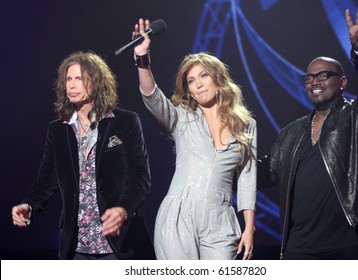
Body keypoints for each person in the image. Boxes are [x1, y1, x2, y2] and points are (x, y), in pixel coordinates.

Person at [258, 6, 358, 260]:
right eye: (309, 78)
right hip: (301, 248)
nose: (315, 81)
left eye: (323, 75)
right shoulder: (291, 133)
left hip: (354, 243)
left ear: (342, 83)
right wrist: (227, 164)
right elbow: (266, 172)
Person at [131, 18, 257, 260]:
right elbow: (152, 97)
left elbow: (247, 180)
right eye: (191, 81)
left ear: (218, 79)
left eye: (203, 76)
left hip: (221, 221)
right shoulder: (182, 119)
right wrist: (142, 58)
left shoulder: (246, 125)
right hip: (178, 218)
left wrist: (249, 227)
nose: (198, 85)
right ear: (188, 90)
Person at [11, 51, 154, 260]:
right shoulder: (58, 130)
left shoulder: (125, 121)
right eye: (68, 79)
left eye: (79, 78)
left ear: (97, 82)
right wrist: (29, 205)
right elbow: (47, 178)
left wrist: (123, 210)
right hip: (76, 246)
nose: (71, 84)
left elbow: (140, 177)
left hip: (119, 243)